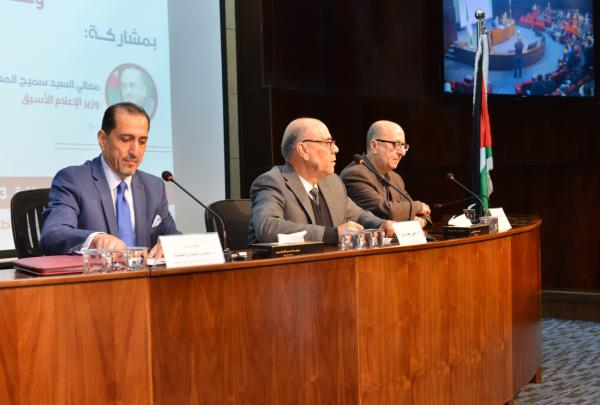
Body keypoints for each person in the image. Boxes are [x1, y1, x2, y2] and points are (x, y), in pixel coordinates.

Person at [40, 102, 179, 256]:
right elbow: (53, 234)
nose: (135, 152)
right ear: (102, 139)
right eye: (126, 139)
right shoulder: (73, 180)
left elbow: (173, 236)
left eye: (142, 142)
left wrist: (171, 245)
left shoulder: (154, 187)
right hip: (95, 272)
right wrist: (95, 239)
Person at [248, 117, 394, 245]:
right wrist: (332, 234)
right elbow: (268, 228)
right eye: (327, 142)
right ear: (303, 150)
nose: (336, 149)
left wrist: (381, 224)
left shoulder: (332, 182)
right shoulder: (272, 182)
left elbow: (358, 215)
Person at [340, 120, 430, 227]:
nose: (402, 152)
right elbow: (386, 212)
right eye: (396, 144)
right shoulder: (354, 174)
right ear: (374, 146)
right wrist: (419, 206)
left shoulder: (396, 178)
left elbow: (423, 213)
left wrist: (422, 220)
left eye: (403, 146)